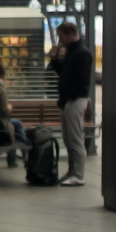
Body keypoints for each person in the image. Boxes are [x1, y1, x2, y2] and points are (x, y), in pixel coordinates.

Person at [48, 21, 93, 186]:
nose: (60, 41)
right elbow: (64, 74)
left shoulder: (82, 53)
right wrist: (54, 61)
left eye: (61, 37)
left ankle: (79, 175)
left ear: (69, 34)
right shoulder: (71, 52)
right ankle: (72, 171)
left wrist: (69, 95)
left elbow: (81, 80)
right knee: (68, 139)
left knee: (75, 139)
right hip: (68, 100)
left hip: (75, 100)